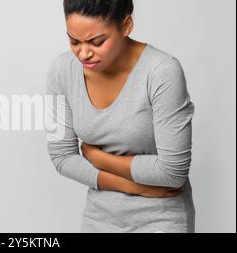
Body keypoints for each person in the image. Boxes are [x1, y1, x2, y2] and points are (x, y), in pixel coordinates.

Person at [45, 0, 196, 232]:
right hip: (98, 219)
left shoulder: (162, 71)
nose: (84, 53)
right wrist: (137, 188)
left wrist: (96, 156)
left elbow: (172, 172)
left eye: (97, 42)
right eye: (74, 41)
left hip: (160, 219)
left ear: (126, 25)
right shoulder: (61, 71)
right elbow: (62, 158)